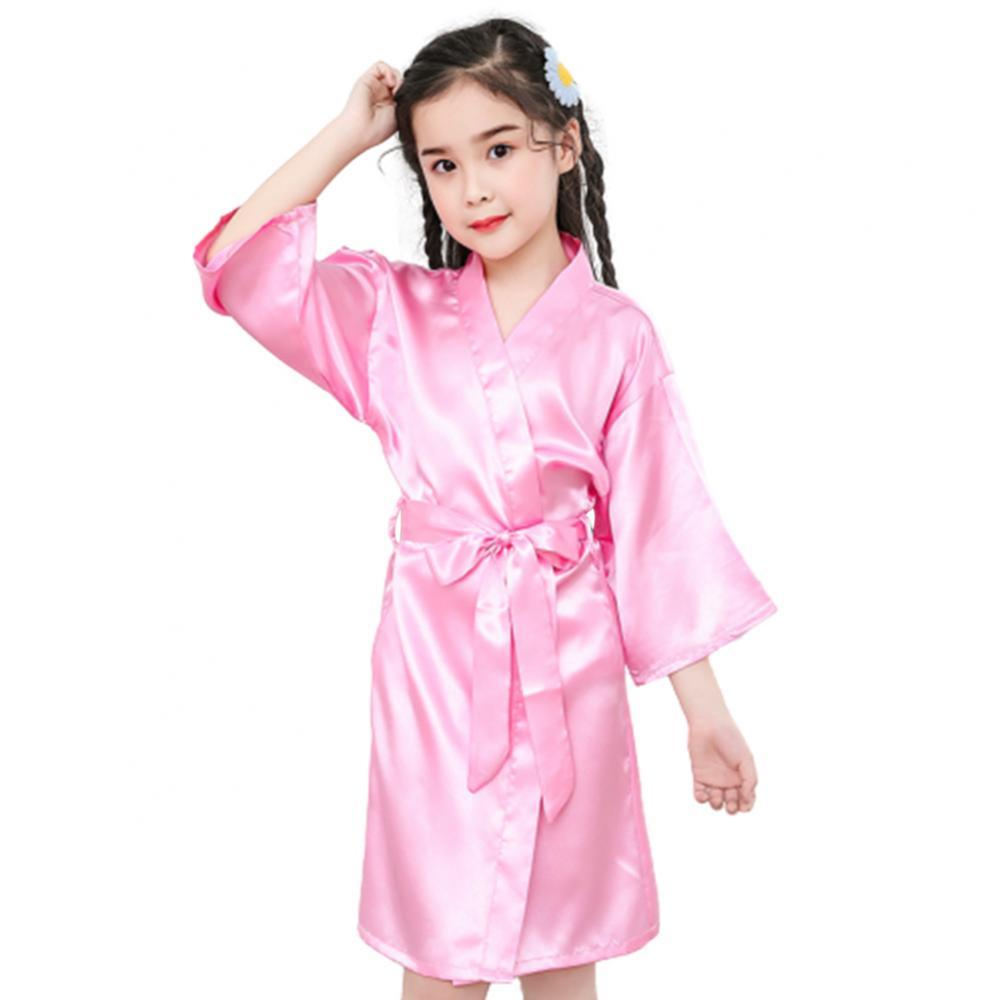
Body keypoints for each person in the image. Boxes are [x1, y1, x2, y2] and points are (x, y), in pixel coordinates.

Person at [192, 17, 777, 1000]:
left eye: (499, 149)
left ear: (565, 142)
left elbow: (656, 528)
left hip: (569, 664)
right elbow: (238, 268)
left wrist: (704, 713)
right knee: (441, 950)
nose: (473, 188)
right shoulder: (389, 315)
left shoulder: (618, 336)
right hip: (434, 667)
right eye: (442, 163)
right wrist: (348, 135)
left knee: (562, 946)